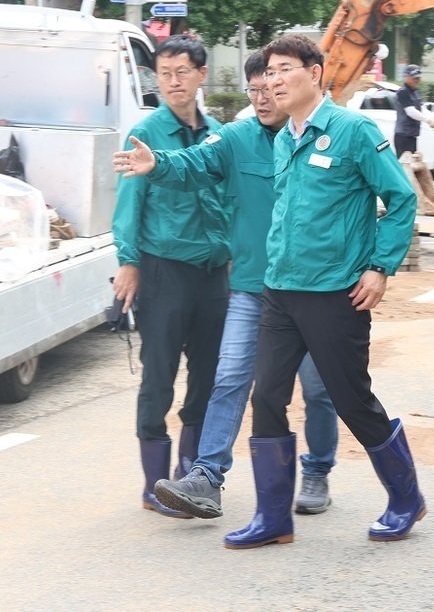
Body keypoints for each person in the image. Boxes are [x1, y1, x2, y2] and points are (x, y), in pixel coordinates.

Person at [113, 52, 339, 520]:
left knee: (316, 388)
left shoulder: (328, 136)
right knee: (223, 378)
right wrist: (155, 170)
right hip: (237, 284)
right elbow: (188, 166)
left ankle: (317, 469)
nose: (263, 98)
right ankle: (201, 477)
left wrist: (374, 265)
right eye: (254, 90)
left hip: (308, 287)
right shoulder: (232, 138)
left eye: (272, 87)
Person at [227, 32, 421, 549]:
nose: (273, 81)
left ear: (314, 74)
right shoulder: (283, 138)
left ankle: (406, 498)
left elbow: (400, 199)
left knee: (351, 401)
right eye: (269, 72)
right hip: (280, 291)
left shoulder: (353, 131)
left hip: (335, 293)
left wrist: (380, 267)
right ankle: (273, 518)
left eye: (284, 70)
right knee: (267, 397)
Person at [112, 34, 231, 517]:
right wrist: (128, 262)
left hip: (214, 273)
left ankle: (189, 479)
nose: (173, 82)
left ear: (202, 75)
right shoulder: (146, 134)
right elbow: (129, 203)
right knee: (158, 377)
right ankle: (151, 486)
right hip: (164, 270)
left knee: (209, 377)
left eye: (182, 72)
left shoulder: (220, 135)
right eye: (165, 74)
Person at [392, 64, 434, 158]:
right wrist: (428, 120)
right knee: (405, 164)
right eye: (414, 78)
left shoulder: (416, 92)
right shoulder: (403, 92)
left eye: (418, 78)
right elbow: (411, 112)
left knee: (413, 163)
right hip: (403, 136)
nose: (416, 80)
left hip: (412, 135)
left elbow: (421, 109)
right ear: (406, 76)